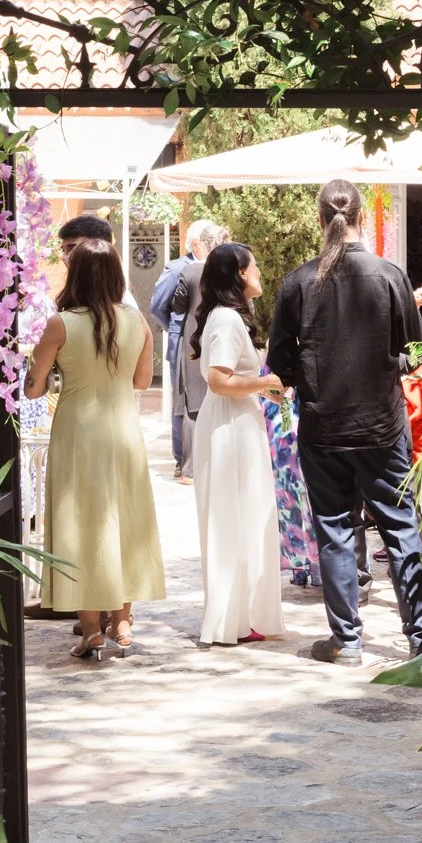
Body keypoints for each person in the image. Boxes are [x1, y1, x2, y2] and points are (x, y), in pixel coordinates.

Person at [268, 180, 422, 667]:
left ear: (320, 220)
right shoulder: (389, 274)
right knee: (401, 529)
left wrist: (312, 376)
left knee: (336, 530)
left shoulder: (298, 281)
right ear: (361, 216)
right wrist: (393, 366)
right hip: (383, 426)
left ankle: (347, 641)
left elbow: (279, 363)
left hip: (323, 428)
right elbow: (420, 349)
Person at [24, 243, 164, 658]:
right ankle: (122, 621)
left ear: (76, 274)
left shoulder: (60, 324)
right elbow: (141, 382)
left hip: (78, 433)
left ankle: (90, 630)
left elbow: (33, 388)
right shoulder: (137, 321)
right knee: (125, 517)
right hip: (123, 430)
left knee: (79, 522)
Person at [190, 242, 288, 646]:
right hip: (230, 425)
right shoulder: (227, 320)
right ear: (239, 275)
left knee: (240, 517)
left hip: (235, 421)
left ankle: (240, 615)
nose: (261, 274)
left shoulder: (224, 318)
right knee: (233, 517)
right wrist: (264, 383)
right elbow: (218, 379)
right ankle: (231, 618)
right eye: (255, 268)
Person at [150, 219, 221, 478]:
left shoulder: (220, 266)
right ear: (195, 244)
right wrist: (176, 329)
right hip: (183, 340)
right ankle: (182, 459)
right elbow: (159, 306)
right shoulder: (178, 268)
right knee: (184, 400)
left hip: (211, 339)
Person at [169, 221, 230, 483]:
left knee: (192, 405)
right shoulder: (231, 270)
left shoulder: (190, 272)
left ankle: (189, 470)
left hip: (194, 343)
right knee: (223, 398)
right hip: (225, 339)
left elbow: (176, 306)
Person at [58, 215, 138, 308]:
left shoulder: (123, 302)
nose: (64, 257)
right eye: (63, 250)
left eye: (71, 248)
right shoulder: (78, 292)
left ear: (98, 247)